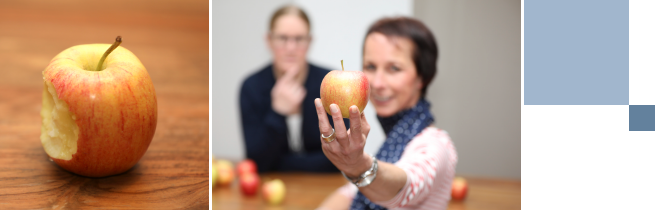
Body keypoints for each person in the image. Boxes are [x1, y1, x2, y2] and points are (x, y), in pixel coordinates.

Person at [315, 17, 457, 210]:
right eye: (371, 67)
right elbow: (350, 193)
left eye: (394, 68)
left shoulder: (436, 145)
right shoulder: (394, 142)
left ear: (422, 77)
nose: (378, 83)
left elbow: (406, 187)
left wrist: (359, 166)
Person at [239, 5, 349, 173]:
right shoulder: (251, 87)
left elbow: (341, 156)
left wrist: (282, 164)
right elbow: (257, 162)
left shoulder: (331, 83)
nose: (290, 48)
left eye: (299, 39)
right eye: (282, 38)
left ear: (309, 41)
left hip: (326, 187)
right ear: (269, 40)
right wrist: (278, 113)